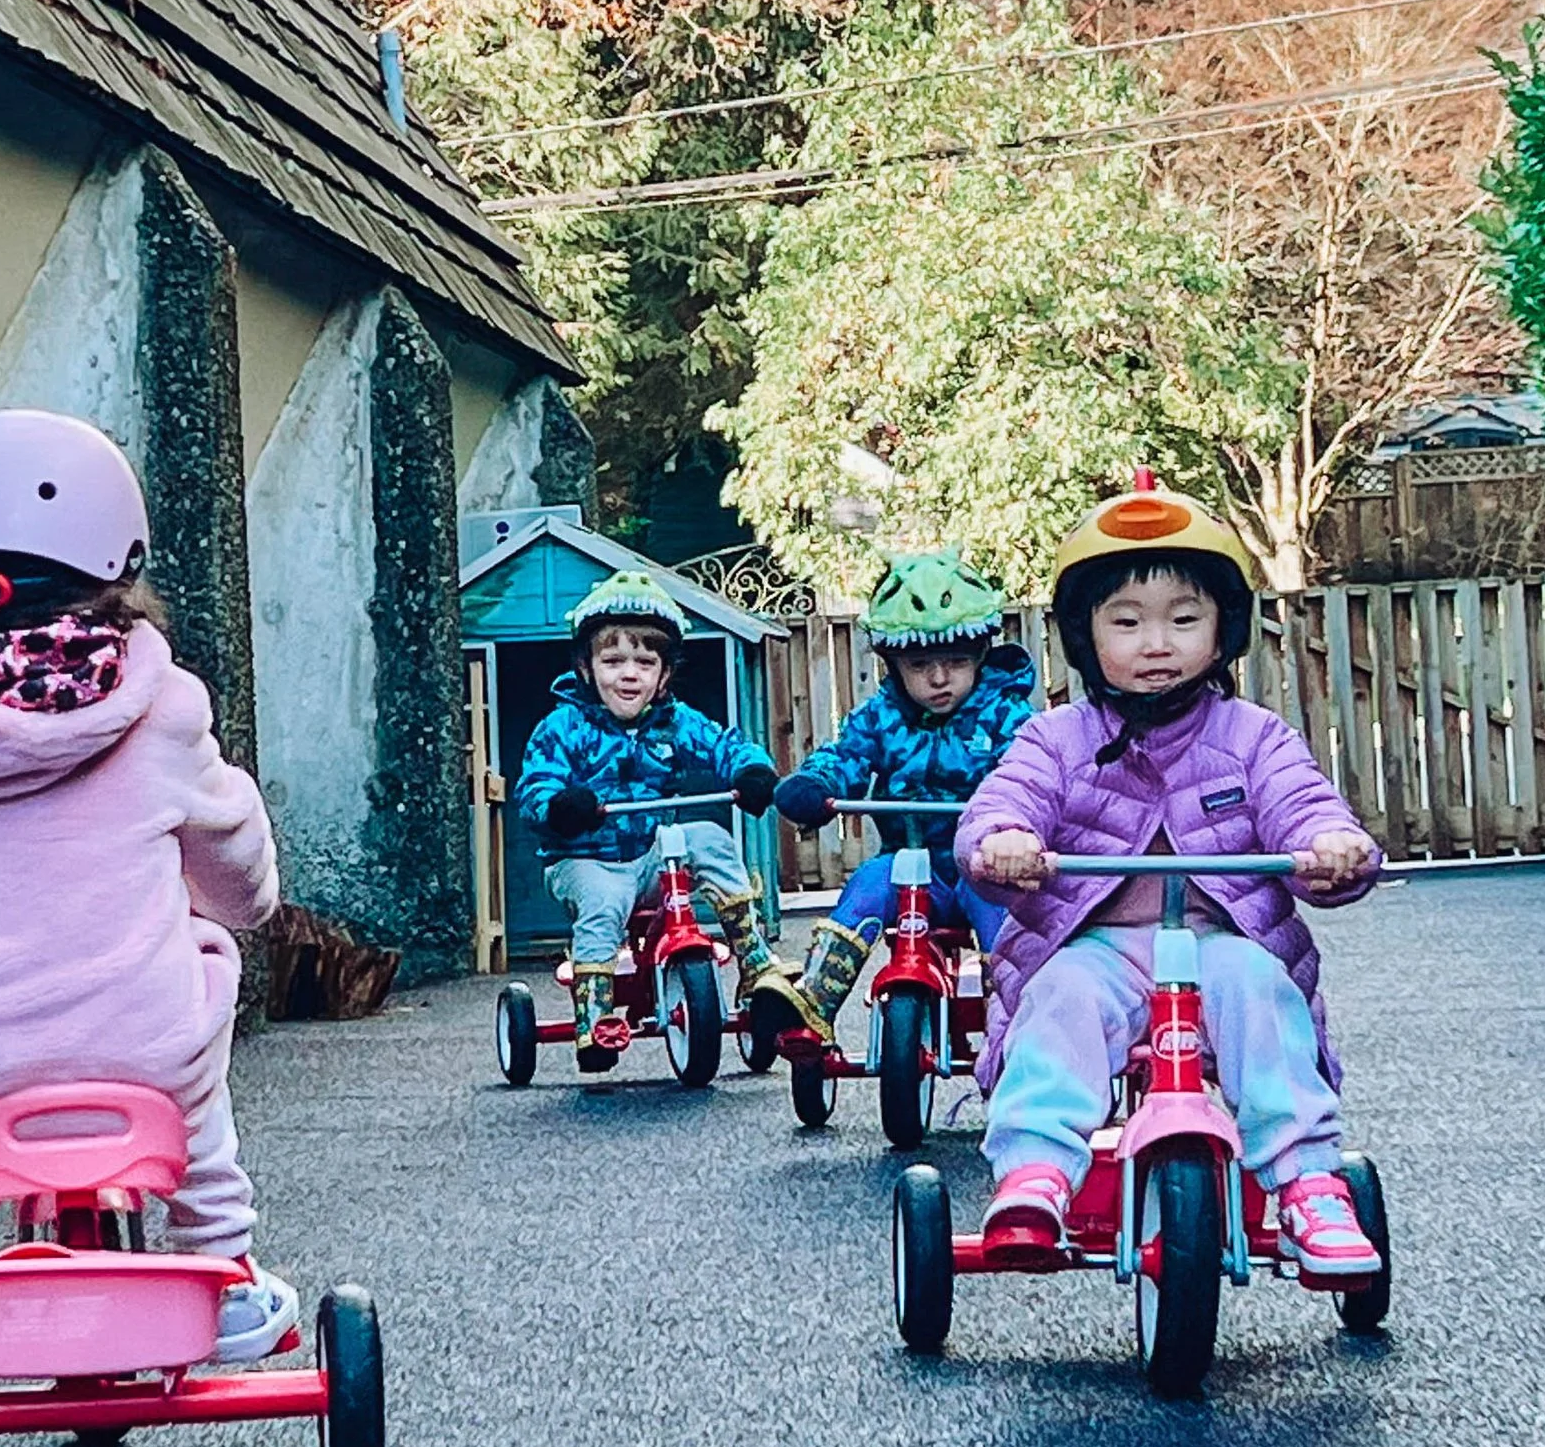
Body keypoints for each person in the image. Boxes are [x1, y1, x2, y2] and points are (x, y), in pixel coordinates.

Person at [0, 409, 296, 1364]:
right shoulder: (160, 705)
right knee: (196, 984)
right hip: (143, 1053)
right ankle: (223, 1263)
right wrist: (244, 908)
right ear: (116, 564)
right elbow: (230, 842)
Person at [957, 472, 1384, 1276]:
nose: (1157, 642)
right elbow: (1006, 801)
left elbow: (1302, 803)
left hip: (1218, 944)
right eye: (1127, 621)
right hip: (1099, 945)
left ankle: (1309, 1180)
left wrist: (1333, 845)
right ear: (1087, 638)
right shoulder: (1056, 738)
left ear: (1224, 630)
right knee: (1061, 1000)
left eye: (1184, 619)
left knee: (1265, 994)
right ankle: (1035, 1170)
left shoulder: (1252, 736)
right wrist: (1005, 839)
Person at [514, 569, 809, 1070]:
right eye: (612, 661)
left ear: (663, 676)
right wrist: (562, 806)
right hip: (585, 860)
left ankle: (755, 958)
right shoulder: (563, 725)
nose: (628, 674)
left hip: (652, 855)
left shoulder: (674, 721)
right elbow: (535, 787)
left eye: (644, 663)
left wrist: (753, 770)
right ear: (587, 668)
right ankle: (595, 1016)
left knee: (708, 837)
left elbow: (725, 745)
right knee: (604, 902)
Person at [772, 547, 1034, 1038]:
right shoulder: (880, 717)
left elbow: (1033, 773)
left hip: (985, 865)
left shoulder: (1005, 715)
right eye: (919, 665)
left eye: (955, 662)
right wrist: (818, 784)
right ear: (893, 664)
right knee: (871, 879)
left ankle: (1025, 1015)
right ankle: (813, 1003)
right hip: (912, 866)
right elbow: (846, 755)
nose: (939, 678)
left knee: (1003, 913)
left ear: (980, 654)